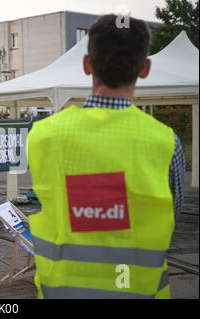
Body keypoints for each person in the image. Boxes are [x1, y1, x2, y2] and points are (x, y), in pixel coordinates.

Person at [27, 15, 185, 299]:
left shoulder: (43, 136)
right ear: (145, 68)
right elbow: (171, 216)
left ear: (87, 64)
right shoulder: (166, 142)